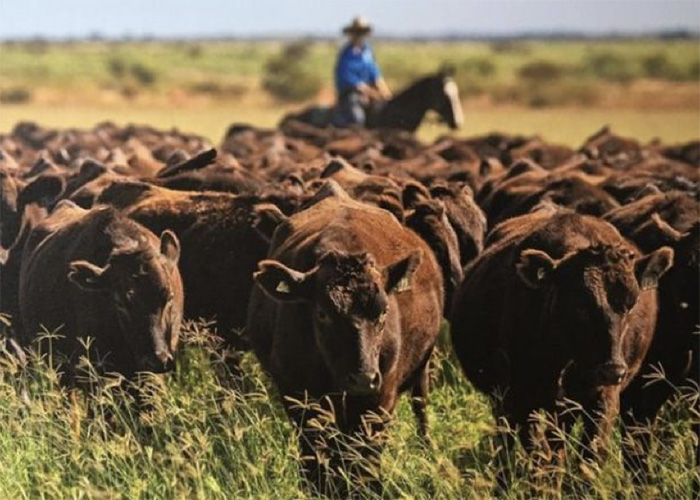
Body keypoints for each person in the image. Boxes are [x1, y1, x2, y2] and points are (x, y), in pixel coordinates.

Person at [333, 17, 392, 127]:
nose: (359, 36)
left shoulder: (367, 51)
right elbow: (347, 76)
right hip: (351, 93)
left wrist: (386, 93)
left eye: (362, 33)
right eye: (357, 33)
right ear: (351, 34)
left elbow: (375, 73)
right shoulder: (346, 53)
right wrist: (367, 91)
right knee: (357, 118)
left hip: (370, 92)